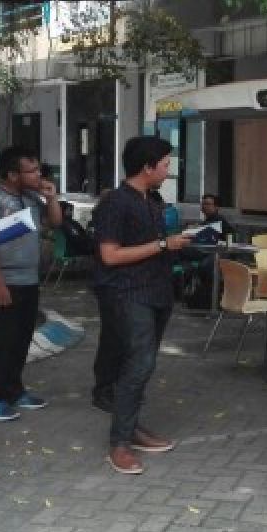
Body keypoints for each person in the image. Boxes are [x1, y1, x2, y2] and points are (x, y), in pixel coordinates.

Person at [91, 136, 191, 474]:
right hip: (128, 293)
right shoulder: (115, 202)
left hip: (157, 291)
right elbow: (110, 254)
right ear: (146, 167)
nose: (168, 171)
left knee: (142, 365)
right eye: (164, 165)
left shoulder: (152, 200)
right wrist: (164, 244)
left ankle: (131, 427)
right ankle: (119, 443)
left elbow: (155, 244)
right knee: (138, 363)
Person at [0, 147, 63, 421]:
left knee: (22, 338)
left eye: (38, 170)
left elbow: (55, 223)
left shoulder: (32, 198)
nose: (38, 175)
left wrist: (51, 198)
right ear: (12, 174)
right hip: (4, 280)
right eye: (31, 171)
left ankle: (13, 389)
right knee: (1, 340)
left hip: (28, 279)